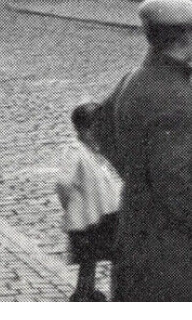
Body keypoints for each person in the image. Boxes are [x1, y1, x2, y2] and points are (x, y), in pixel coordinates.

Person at [94, 0, 192, 302]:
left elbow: (100, 125)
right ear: (186, 36)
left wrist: (135, 173)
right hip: (172, 248)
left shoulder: (133, 79)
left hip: (134, 226)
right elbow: (174, 179)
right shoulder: (176, 97)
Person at [55, 101, 122, 302]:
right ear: (83, 130)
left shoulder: (93, 150)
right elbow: (63, 183)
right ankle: (83, 296)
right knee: (88, 259)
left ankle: (87, 292)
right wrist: (71, 206)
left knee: (93, 258)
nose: (100, 133)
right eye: (95, 128)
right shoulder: (75, 151)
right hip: (86, 219)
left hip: (102, 215)